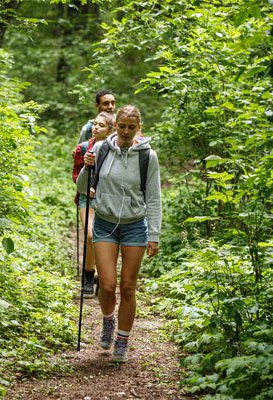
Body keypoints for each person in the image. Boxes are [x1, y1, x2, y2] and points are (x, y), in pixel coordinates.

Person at [77, 105, 161, 363]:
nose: (125, 131)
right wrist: (86, 167)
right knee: (108, 285)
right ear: (115, 127)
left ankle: (122, 340)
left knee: (127, 287)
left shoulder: (148, 156)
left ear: (139, 127)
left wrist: (154, 234)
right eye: (122, 126)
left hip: (135, 225)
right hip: (104, 222)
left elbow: (154, 198)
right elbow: (82, 188)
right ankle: (108, 320)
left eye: (131, 127)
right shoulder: (101, 150)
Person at [72, 111, 116, 297]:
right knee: (91, 234)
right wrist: (85, 187)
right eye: (95, 124)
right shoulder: (83, 148)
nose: (95, 128)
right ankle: (88, 276)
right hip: (87, 197)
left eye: (101, 125)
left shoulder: (117, 151)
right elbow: (75, 174)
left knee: (106, 237)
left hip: (108, 197)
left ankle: (101, 273)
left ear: (111, 130)